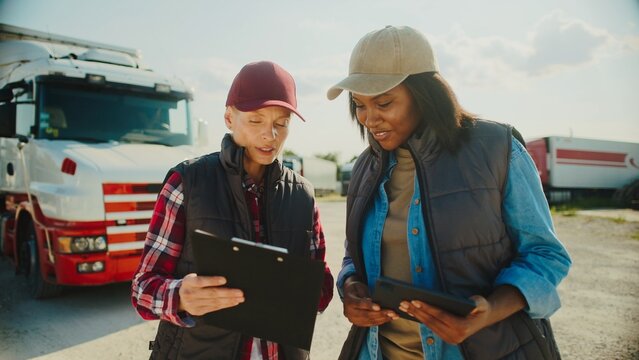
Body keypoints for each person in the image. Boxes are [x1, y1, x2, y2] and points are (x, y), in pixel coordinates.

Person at [327, 26, 571, 360]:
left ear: (425, 94)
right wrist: (351, 287)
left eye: (384, 102)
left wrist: (490, 310)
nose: (369, 119)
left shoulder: (497, 149)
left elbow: (545, 255)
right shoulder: (363, 170)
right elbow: (353, 257)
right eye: (359, 105)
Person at [132, 61, 334, 360]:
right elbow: (143, 289)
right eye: (256, 120)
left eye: (282, 122)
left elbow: (320, 287)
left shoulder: (303, 194)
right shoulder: (187, 181)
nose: (271, 135)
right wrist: (180, 296)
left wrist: (310, 290)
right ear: (229, 117)